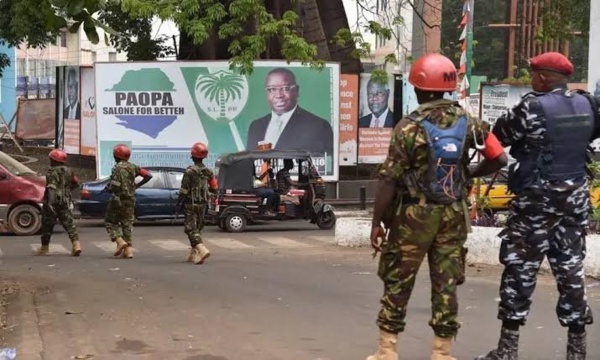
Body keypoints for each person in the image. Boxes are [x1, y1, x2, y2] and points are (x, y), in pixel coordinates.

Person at [365, 53, 508, 360]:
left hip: (412, 218)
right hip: (452, 215)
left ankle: (387, 352)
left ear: (417, 88)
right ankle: (442, 354)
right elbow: (500, 158)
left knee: (398, 280)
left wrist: (377, 222)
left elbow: (389, 180)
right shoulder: (470, 123)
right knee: (445, 283)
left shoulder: (407, 127)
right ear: (447, 88)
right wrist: (468, 173)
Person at [475, 52, 597, 360]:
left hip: (536, 208)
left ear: (542, 77)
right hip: (574, 206)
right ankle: (577, 352)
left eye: (533, 74)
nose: (531, 79)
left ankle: (507, 352)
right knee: (571, 273)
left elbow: (498, 138)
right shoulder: (589, 105)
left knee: (520, 273)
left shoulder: (531, 106)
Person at [245, 68, 334, 157]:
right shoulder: (256, 126)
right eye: (272, 89)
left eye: (285, 88)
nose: (279, 95)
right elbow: (250, 164)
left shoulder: (318, 126)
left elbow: (326, 165)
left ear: (297, 90)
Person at [104, 144, 152, 259]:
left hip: (118, 199)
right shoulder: (133, 167)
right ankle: (129, 251)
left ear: (116, 156)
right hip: (130, 199)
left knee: (110, 222)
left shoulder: (117, 167)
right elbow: (148, 175)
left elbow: (115, 185)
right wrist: (136, 185)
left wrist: (109, 188)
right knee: (127, 224)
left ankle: (119, 241)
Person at [175, 142, 219, 264]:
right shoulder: (208, 172)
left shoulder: (190, 171)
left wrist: (179, 203)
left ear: (194, 157)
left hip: (190, 204)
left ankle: (202, 249)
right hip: (203, 204)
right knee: (197, 228)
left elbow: (184, 190)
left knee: (190, 229)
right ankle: (194, 255)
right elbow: (215, 188)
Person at [35, 149, 82, 256]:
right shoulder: (69, 171)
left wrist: (50, 203)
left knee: (47, 224)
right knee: (69, 223)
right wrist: (66, 190)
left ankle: (44, 248)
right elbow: (76, 182)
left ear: (54, 160)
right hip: (65, 200)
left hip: (53, 200)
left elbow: (51, 188)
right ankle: (76, 245)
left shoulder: (51, 171)